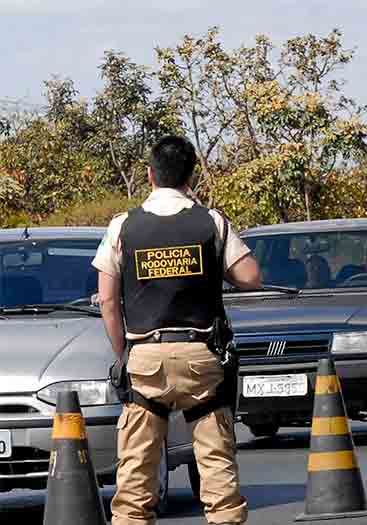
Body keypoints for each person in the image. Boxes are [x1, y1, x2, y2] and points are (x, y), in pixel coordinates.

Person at [92, 135, 262, 525]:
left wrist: (124, 354)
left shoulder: (124, 226)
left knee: (135, 476)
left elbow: (107, 300)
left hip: (145, 357)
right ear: (192, 176)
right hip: (201, 356)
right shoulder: (210, 221)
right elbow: (251, 276)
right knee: (217, 467)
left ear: (149, 175)